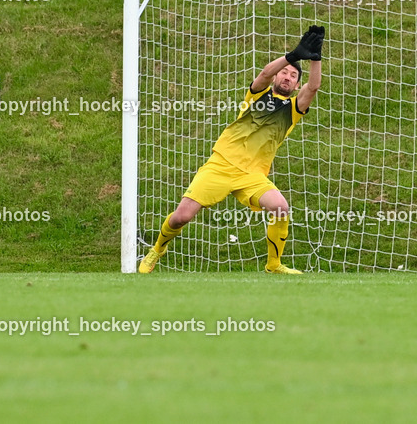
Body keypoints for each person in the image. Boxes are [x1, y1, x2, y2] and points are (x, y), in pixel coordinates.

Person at [139, 25, 325, 275]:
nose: (287, 77)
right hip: (221, 165)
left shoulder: (293, 110)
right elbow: (264, 73)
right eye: (284, 72)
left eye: (293, 75)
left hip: (252, 175)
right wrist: (292, 56)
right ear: (277, 77)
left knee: (281, 208)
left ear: (295, 84)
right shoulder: (257, 95)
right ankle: (157, 249)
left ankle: (274, 265)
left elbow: (313, 87)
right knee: (181, 217)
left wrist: (315, 57)